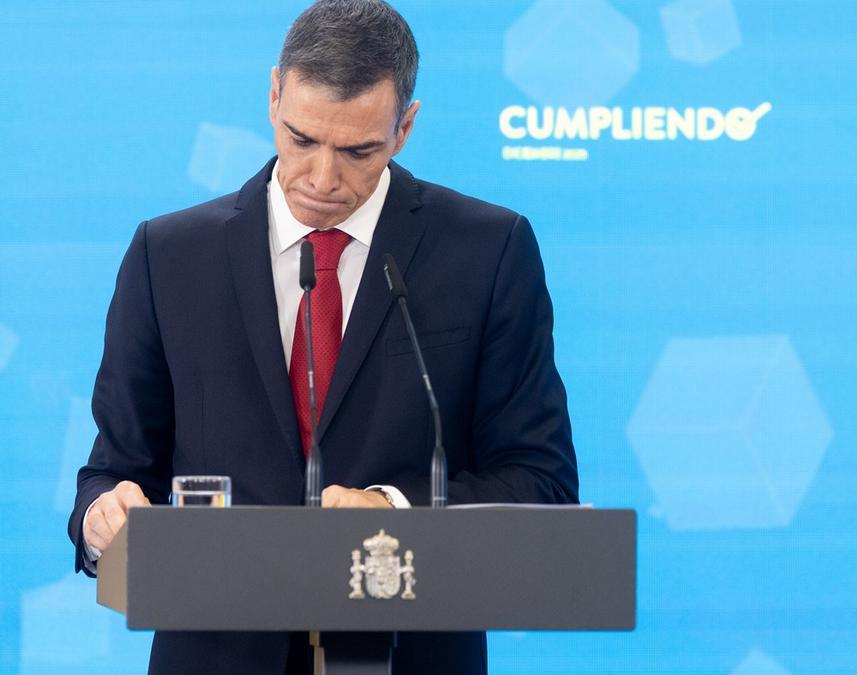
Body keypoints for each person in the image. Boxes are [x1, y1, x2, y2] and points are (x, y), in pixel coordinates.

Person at [65, 1, 578, 673]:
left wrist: (392, 510)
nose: (322, 179)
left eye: (358, 149)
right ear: (274, 94)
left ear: (405, 128)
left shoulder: (487, 251)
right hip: (215, 653)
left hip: (409, 651)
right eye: (302, 138)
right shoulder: (170, 255)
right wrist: (104, 517)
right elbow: (115, 467)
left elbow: (540, 480)